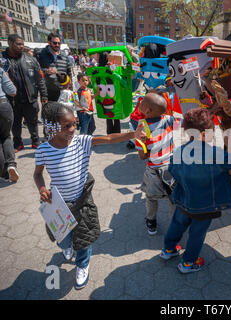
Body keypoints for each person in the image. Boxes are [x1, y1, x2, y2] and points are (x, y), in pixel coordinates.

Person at [33, 101, 142, 289]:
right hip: (59, 205)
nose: (73, 128)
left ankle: (82, 265)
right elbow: (37, 174)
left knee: (84, 239)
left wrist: (133, 134)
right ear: (52, 126)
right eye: (67, 125)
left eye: (74, 123)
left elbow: (108, 138)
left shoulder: (81, 141)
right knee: (63, 239)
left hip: (82, 201)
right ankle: (67, 246)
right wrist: (42, 189)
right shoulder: (43, 150)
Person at [159, 108, 231, 273]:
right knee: (197, 233)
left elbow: (172, 169)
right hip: (205, 206)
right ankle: (188, 263)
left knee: (177, 224)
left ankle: (168, 250)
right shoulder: (215, 154)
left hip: (183, 199)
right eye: (212, 130)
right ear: (203, 134)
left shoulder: (180, 151)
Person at [136, 92, 177, 235]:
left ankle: (151, 222)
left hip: (153, 170)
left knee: (151, 197)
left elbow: (142, 156)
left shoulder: (142, 128)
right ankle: (175, 224)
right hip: (171, 168)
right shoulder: (169, 119)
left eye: (142, 102)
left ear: (147, 111)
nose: (140, 102)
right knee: (173, 198)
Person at [1, 34, 48, 151]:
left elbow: (39, 79)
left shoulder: (30, 59)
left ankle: (35, 141)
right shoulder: (2, 59)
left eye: (22, 44)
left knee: (32, 122)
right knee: (15, 123)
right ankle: (17, 143)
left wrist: (44, 95)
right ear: (10, 43)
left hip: (30, 98)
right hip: (11, 100)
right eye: (18, 44)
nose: (21, 46)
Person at [38, 33, 72, 102]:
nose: (57, 45)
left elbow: (69, 73)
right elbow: (36, 71)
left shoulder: (64, 56)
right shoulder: (41, 54)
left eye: (59, 43)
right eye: (55, 43)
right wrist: (45, 71)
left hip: (63, 91)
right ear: (49, 42)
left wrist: (70, 89)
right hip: (48, 93)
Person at [0, 67, 18, 182]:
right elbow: (12, 91)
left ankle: (4, 173)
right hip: (3, 105)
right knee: (6, 136)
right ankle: (11, 164)